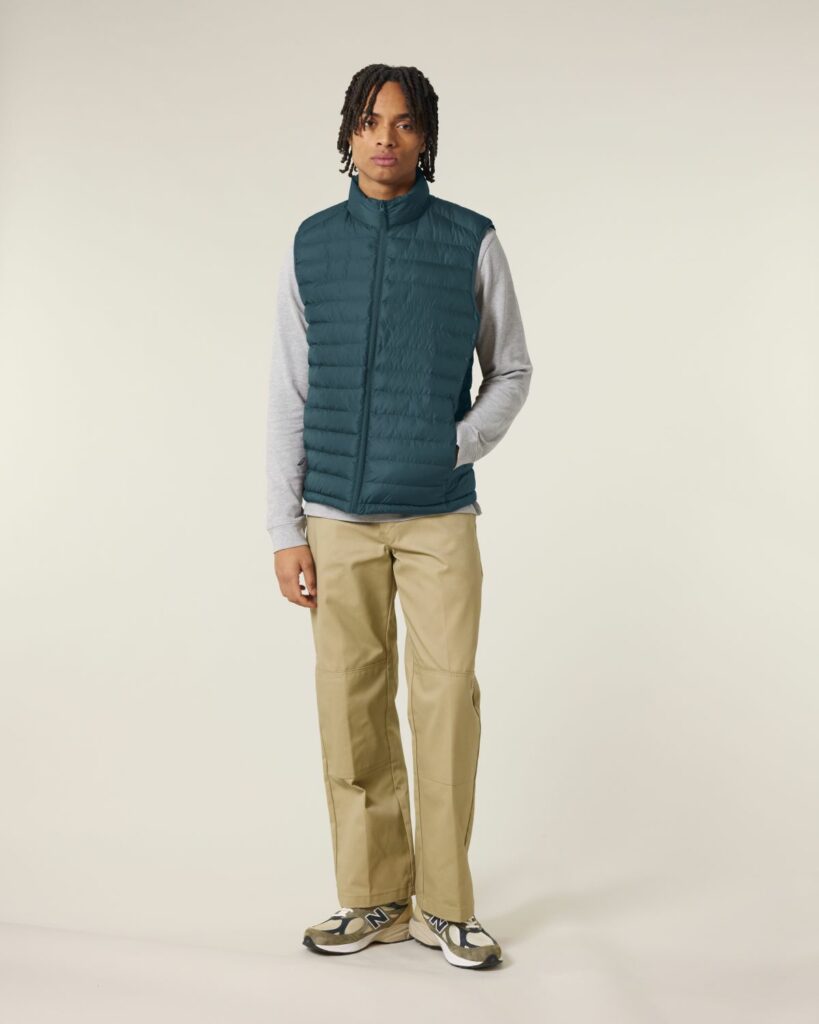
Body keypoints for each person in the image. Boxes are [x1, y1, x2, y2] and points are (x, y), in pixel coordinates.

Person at [266, 64, 533, 970]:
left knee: (445, 697)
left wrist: (452, 447)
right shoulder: (311, 244)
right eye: (370, 121)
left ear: (426, 138)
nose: (385, 137)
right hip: (334, 519)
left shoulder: (469, 239)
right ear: (348, 134)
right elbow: (288, 391)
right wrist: (283, 528)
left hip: (437, 516)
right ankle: (374, 898)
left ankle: (445, 907)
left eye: (405, 122)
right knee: (350, 704)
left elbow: (510, 368)